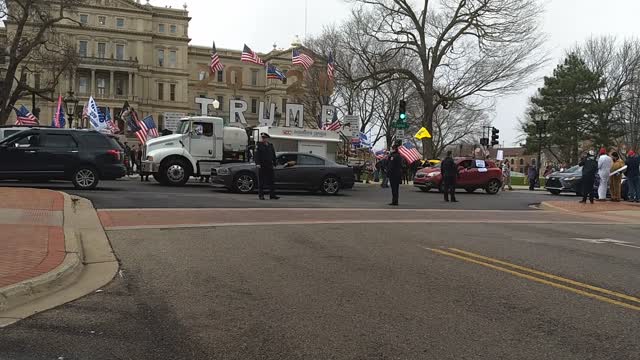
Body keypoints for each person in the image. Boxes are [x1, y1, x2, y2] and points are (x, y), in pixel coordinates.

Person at [255, 133, 279, 200]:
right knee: (261, 181)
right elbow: (256, 155)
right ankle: (261, 195)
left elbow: (273, 155)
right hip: (262, 165)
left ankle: (272, 195)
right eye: (262, 138)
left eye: (265, 138)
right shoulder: (259, 145)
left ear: (267, 138)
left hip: (269, 165)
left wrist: (274, 163)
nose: (263, 139)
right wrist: (257, 163)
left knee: (271, 181)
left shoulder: (270, 145)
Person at [387, 141, 403, 206]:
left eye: (392, 148)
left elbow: (391, 165)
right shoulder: (399, 156)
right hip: (397, 174)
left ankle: (394, 201)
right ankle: (395, 200)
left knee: (394, 188)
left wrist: (388, 173)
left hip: (393, 174)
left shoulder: (393, 156)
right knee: (396, 188)